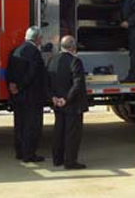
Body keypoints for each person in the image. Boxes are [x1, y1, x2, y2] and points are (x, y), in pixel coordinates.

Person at [6, 26, 48, 163]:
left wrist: (12, 85)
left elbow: (9, 71)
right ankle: (29, 154)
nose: (41, 40)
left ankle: (19, 152)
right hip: (31, 96)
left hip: (18, 96)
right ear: (37, 39)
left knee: (19, 124)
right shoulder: (34, 52)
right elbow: (32, 73)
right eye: (41, 38)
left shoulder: (16, 50)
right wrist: (21, 86)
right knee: (32, 126)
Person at [47, 36, 89, 170]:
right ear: (73, 47)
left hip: (57, 103)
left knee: (58, 130)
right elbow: (78, 84)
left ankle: (57, 159)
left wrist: (53, 97)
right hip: (72, 104)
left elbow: (47, 81)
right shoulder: (75, 61)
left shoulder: (52, 60)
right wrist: (66, 99)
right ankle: (70, 161)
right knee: (72, 133)